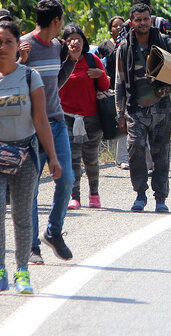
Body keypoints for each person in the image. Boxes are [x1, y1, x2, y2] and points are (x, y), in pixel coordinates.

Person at [0, 20, 62, 294]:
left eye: (9, 41)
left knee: (22, 214)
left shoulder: (30, 77)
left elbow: (41, 120)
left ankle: (22, 272)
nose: (3, 46)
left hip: (26, 154)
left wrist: (52, 157)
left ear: (19, 45)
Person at [116, 3, 171, 213]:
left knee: (161, 154)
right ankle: (140, 194)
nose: (143, 23)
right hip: (135, 109)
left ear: (151, 19)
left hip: (161, 108)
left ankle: (160, 198)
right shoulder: (125, 47)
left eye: (146, 19)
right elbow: (119, 82)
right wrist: (119, 114)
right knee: (135, 150)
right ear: (132, 22)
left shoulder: (164, 42)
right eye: (138, 19)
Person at [18, 0, 76, 263]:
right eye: (61, 20)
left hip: (56, 123)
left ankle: (53, 231)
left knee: (66, 179)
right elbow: (9, 81)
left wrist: (72, 61)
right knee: (31, 189)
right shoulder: (23, 45)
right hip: (29, 128)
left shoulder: (56, 47)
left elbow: (55, 84)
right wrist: (21, 61)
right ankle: (32, 247)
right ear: (56, 21)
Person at [58, 24, 109, 209]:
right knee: (72, 158)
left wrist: (100, 74)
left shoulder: (91, 59)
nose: (74, 42)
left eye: (78, 39)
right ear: (64, 42)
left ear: (83, 42)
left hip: (91, 118)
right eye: (70, 39)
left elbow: (104, 86)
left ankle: (94, 194)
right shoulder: (60, 61)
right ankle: (75, 197)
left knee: (91, 158)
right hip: (67, 118)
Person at [96, 16, 129, 169]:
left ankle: (124, 158)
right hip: (110, 90)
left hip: (127, 88)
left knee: (127, 122)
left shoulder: (129, 43)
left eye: (121, 25)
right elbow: (99, 64)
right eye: (115, 26)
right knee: (116, 123)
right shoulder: (105, 46)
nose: (118, 28)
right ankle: (119, 157)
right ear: (110, 29)